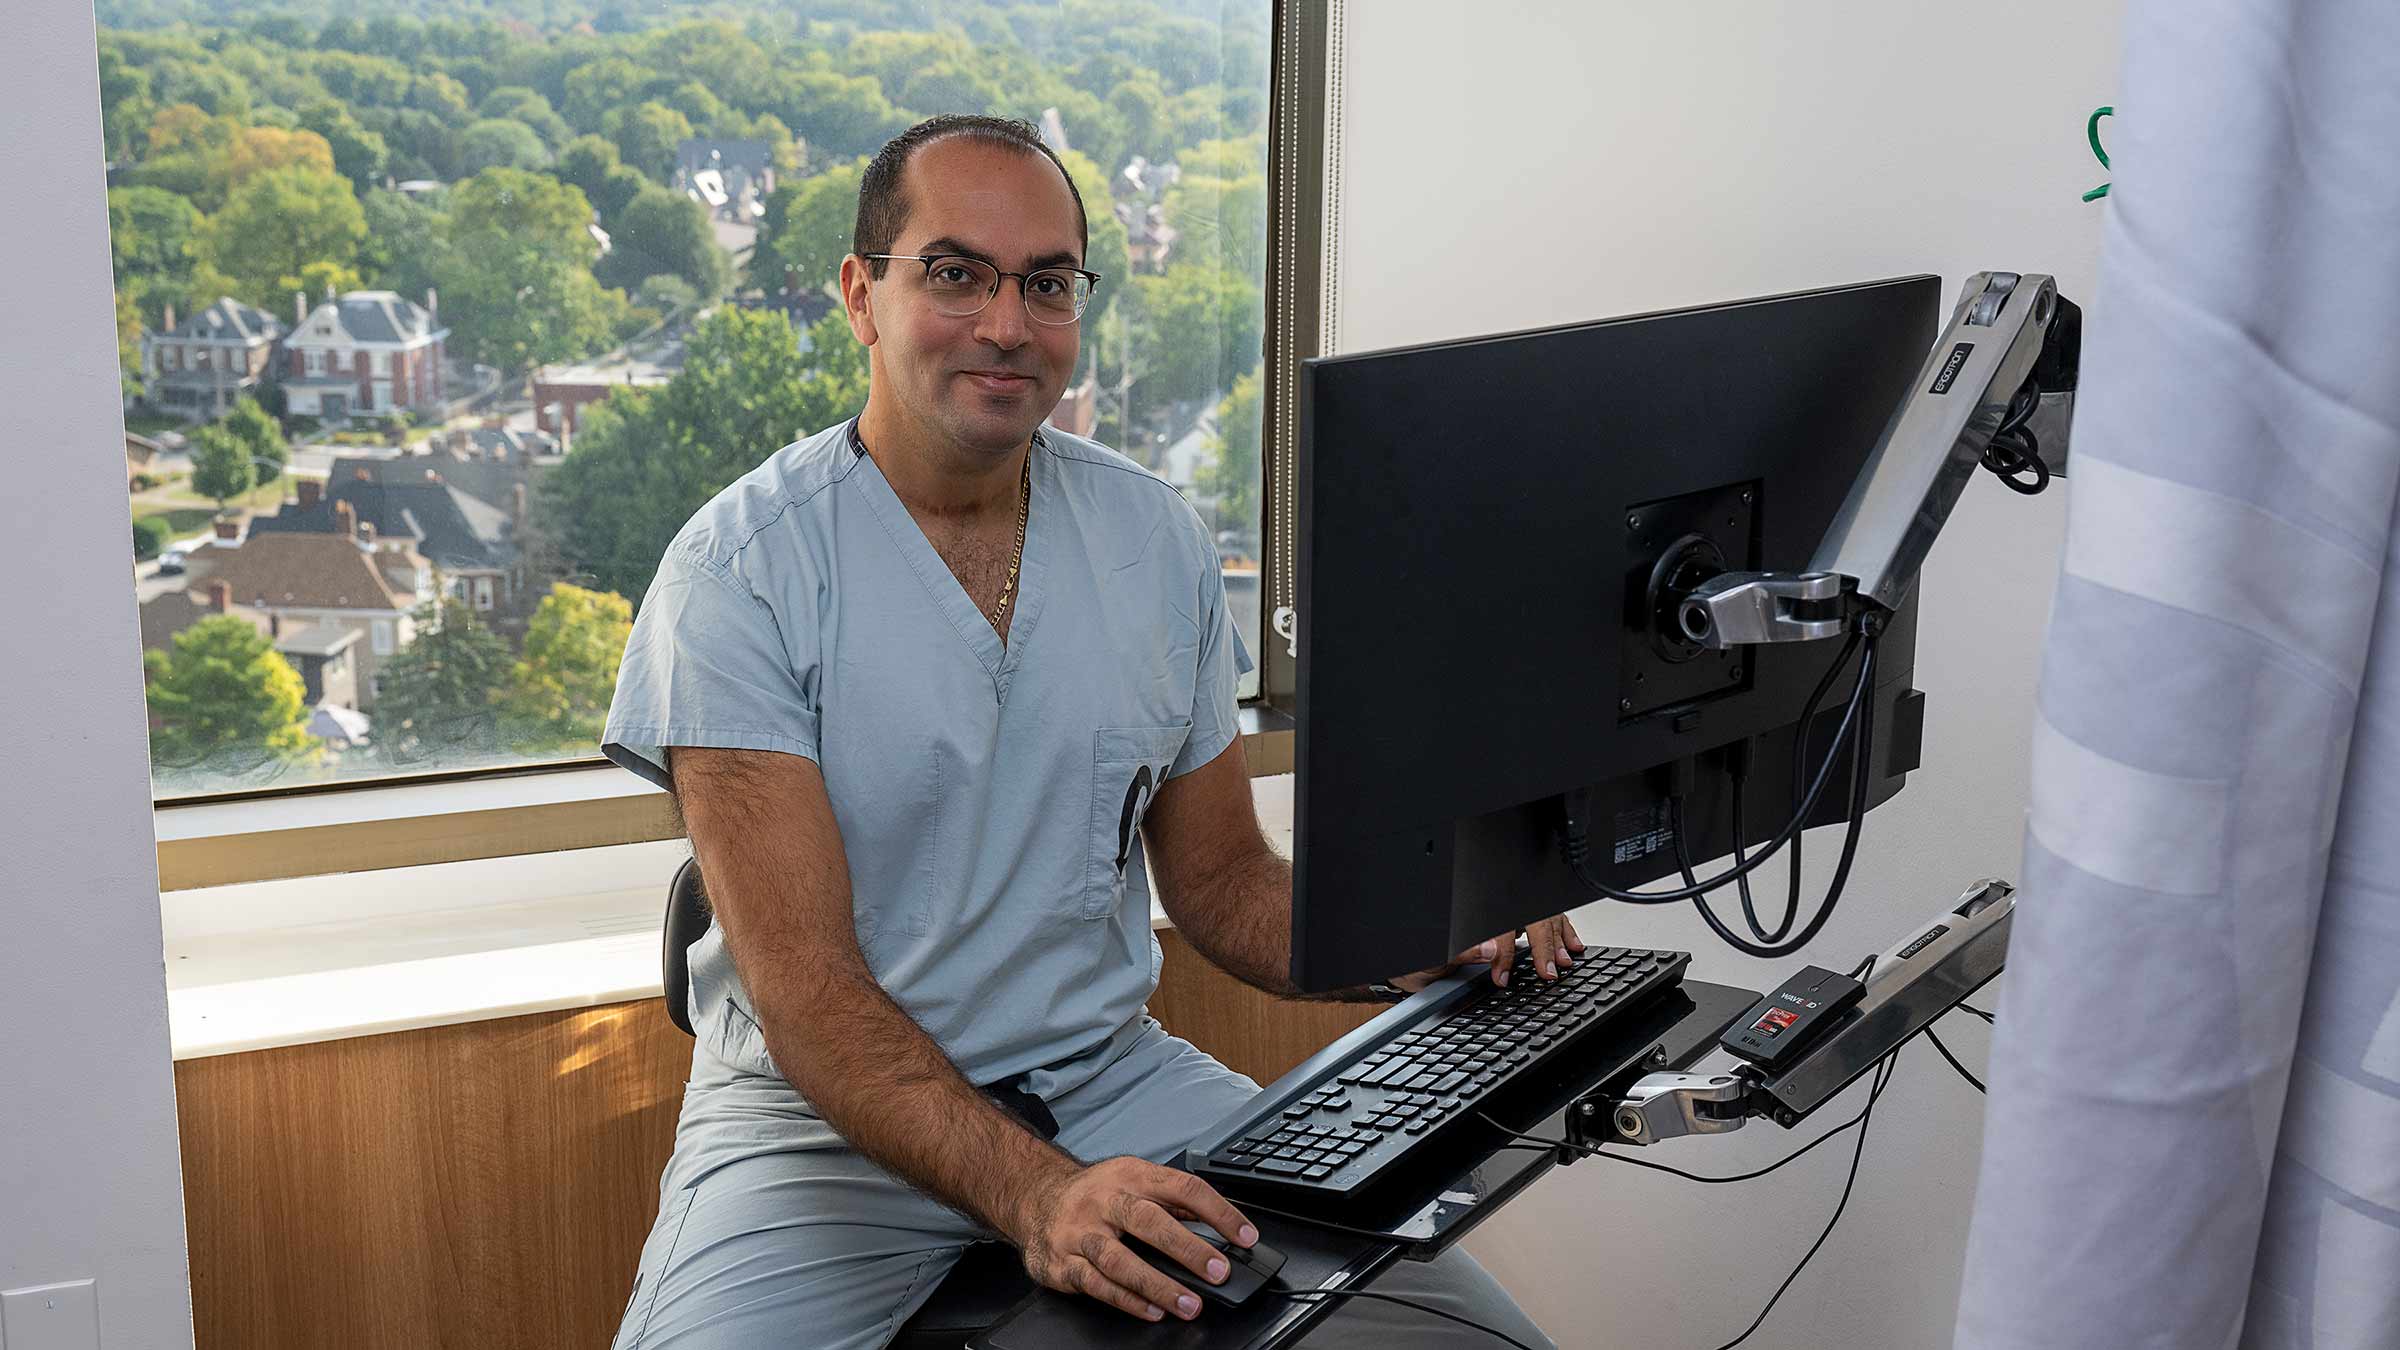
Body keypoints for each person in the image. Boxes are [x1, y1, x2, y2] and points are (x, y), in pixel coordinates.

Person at [601, 113, 1578, 1349]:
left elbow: (1224, 886)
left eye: (1048, 285)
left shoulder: (1153, 540)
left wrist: (1420, 932)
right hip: (816, 1138)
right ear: (863, 294)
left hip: (1109, 1086)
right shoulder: (738, 575)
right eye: (955, 273)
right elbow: (809, 1001)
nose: (1008, 324)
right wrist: (1038, 1197)